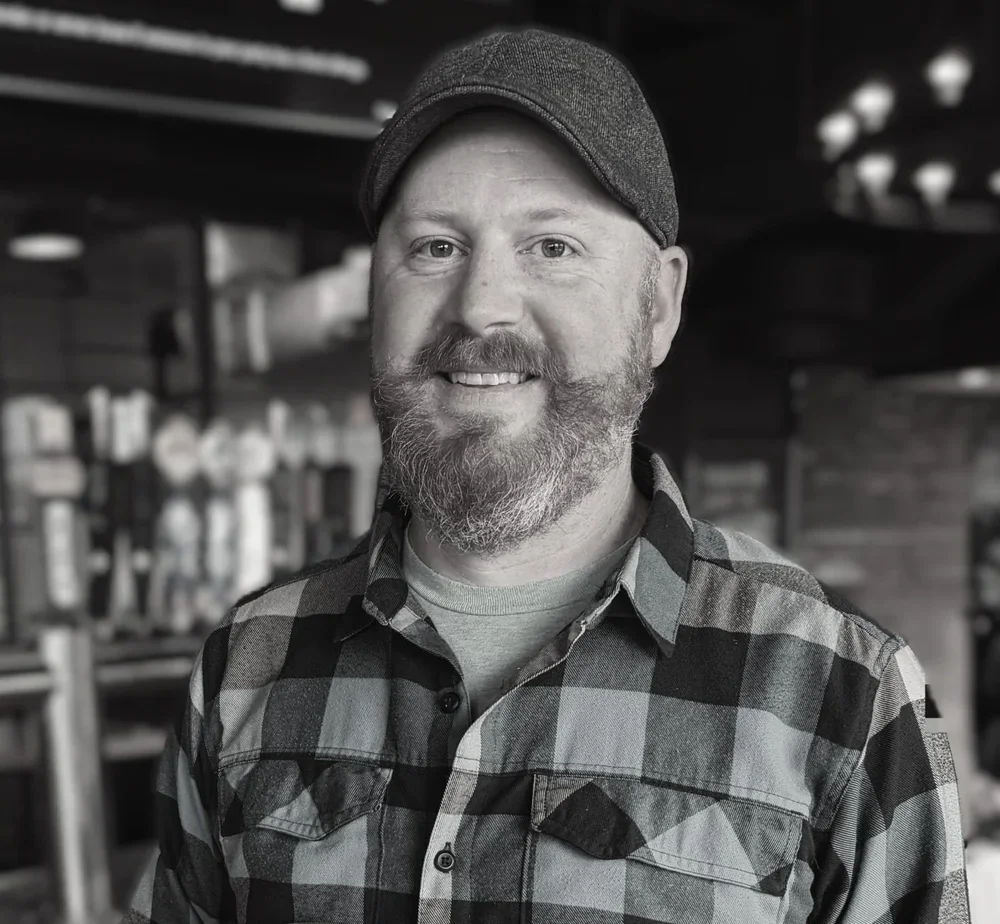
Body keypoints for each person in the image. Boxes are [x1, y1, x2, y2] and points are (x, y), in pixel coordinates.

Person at [121, 25, 970, 924]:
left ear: (660, 305)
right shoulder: (246, 665)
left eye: (552, 247)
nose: (482, 306)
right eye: (435, 247)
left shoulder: (845, 690)